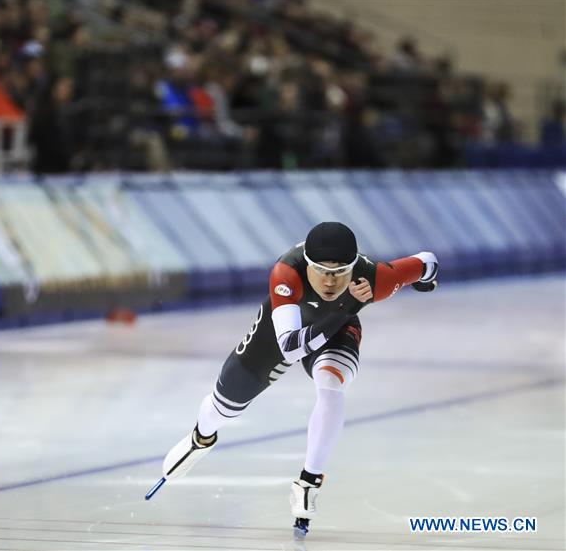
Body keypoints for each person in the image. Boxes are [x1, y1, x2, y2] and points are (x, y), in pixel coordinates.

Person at [154, 222, 439, 536]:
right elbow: (289, 348)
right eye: (321, 270)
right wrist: (347, 305)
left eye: (340, 271)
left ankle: (309, 480)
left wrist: (426, 279)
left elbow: (426, 262)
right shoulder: (287, 273)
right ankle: (202, 438)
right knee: (225, 406)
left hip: (337, 328)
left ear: (353, 266)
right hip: (285, 331)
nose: (330, 281)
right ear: (308, 264)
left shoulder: (374, 278)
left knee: (331, 386)